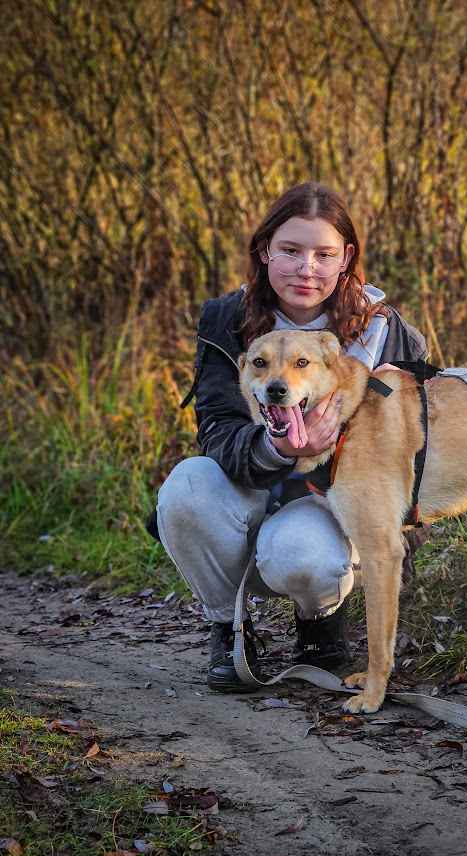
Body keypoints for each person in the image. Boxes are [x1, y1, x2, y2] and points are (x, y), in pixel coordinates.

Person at [149, 182, 427, 693]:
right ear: (264, 250)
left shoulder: (384, 331)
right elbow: (217, 431)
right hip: (251, 489)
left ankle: (320, 625)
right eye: (291, 251)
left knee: (307, 555)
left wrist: (385, 396)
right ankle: (229, 627)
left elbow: (421, 451)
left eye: (323, 254)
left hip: (331, 508)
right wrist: (277, 448)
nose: (307, 269)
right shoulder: (225, 320)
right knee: (185, 486)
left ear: (346, 258)